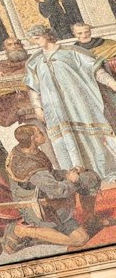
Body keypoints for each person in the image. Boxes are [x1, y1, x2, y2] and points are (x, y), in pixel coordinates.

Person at [22, 27, 116, 178]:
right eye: (33, 39)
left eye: (37, 37)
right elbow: (33, 87)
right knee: (66, 140)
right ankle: (76, 175)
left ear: (47, 35)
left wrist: (112, 83)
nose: (35, 42)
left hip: (78, 103)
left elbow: (96, 70)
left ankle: (102, 172)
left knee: (92, 136)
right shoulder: (34, 62)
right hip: (54, 107)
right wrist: (37, 107)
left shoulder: (71, 52)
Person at [0, 41, 38, 125]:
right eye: (10, 45)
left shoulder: (35, 60)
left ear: (22, 45)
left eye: (17, 44)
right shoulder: (0, 68)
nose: (14, 46)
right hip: (24, 110)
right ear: (5, 49)